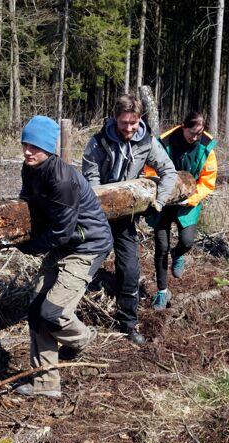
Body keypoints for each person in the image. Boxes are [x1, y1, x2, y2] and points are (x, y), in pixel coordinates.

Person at [15, 115, 113, 398]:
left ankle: (82, 338)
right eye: (25, 145)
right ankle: (46, 383)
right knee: (36, 308)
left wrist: (28, 246)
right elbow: (27, 203)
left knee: (52, 311)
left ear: (49, 148)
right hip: (64, 242)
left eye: (34, 147)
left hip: (87, 246)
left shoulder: (62, 178)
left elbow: (60, 232)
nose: (27, 152)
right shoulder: (30, 169)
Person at [82, 95, 177, 345]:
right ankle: (70, 320)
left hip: (127, 217)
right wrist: (97, 212)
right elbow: (90, 181)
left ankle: (129, 324)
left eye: (133, 123)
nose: (129, 128)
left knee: (130, 270)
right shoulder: (98, 143)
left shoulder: (146, 142)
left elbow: (168, 171)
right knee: (84, 267)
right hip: (98, 216)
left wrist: (160, 201)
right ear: (115, 119)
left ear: (139, 119)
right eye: (124, 123)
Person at [146, 111, 217, 309]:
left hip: (189, 202)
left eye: (199, 133)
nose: (195, 137)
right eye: (191, 133)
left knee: (187, 241)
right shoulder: (164, 142)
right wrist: (160, 191)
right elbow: (150, 170)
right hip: (162, 202)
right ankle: (162, 292)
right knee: (161, 247)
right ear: (182, 126)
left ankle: (178, 255)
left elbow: (207, 181)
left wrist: (191, 198)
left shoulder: (206, 147)